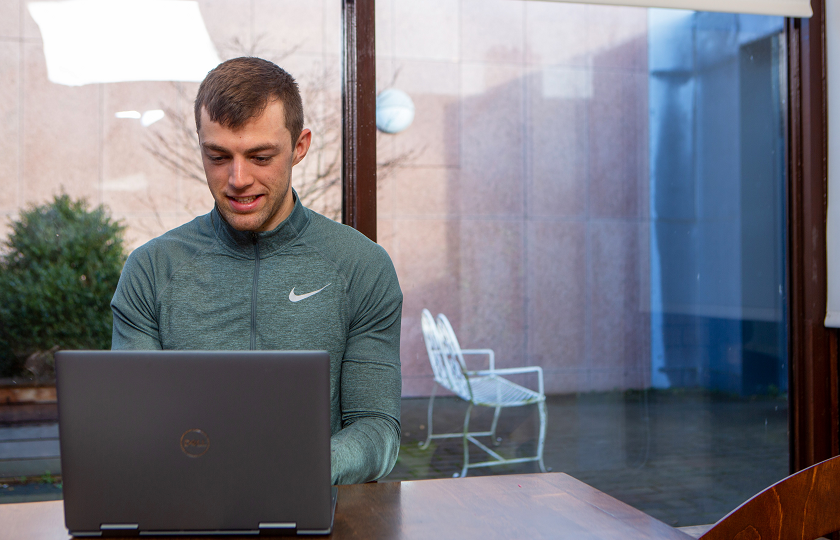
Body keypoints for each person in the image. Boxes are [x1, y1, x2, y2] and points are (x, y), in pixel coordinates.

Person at [110, 57, 403, 485]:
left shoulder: (361, 268)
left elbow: (378, 428)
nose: (237, 178)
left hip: (314, 507)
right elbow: (134, 424)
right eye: (218, 156)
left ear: (299, 146)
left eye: (260, 156)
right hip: (184, 508)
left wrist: (306, 467)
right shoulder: (151, 270)